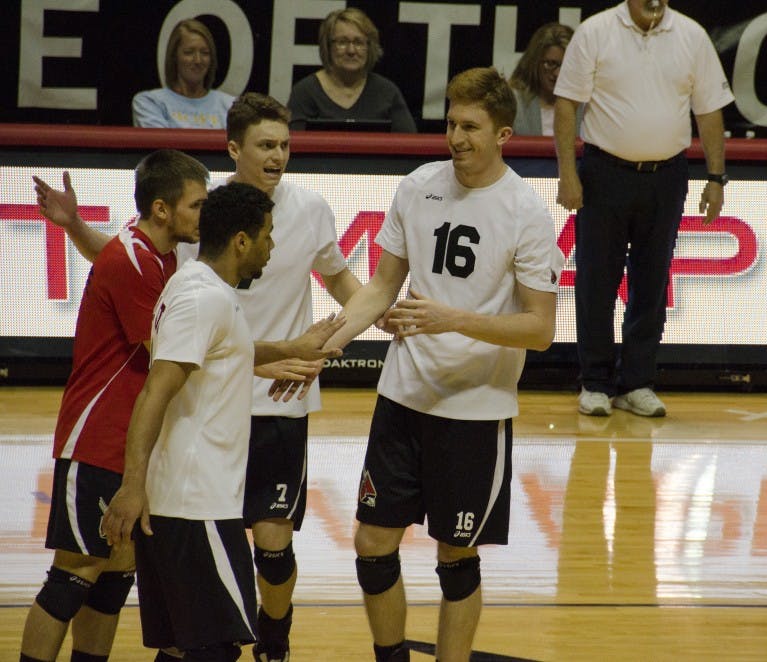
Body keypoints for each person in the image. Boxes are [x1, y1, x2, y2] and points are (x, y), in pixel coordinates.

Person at [36, 93, 363, 662]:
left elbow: (213, 344)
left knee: (127, 586)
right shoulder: (185, 268)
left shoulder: (178, 261)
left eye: (286, 144)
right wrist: (282, 351)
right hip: (139, 445)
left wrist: (315, 345)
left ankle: (275, 641)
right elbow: (168, 367)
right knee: (97, 586)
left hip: (226, 429)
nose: (279, 155)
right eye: (267, 144)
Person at [323, 66, 562, 662]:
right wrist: (331, 339)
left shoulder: (526, 213)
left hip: (475, 411)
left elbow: (540, 329)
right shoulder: (418, 186)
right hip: (403, 396)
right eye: (451, 123)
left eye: (471, 126)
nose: (456, 137)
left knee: (456, 556)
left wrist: (452, 319)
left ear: (503, 133)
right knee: (372, 542)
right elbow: (381, 287)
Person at [100, 182, 344, 662]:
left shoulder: (196, 287)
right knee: (216, 649)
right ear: (240, 240)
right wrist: (132, 486)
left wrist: (292, 348)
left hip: (184, 503)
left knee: (179, 648)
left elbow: (224, 347)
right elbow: (155, 391)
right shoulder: (203, 299)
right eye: (267, 237)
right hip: (195, 505)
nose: (272, 248)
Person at [19, 150, 209, 662]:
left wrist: (75, 225)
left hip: (131, 439)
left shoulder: (154, 250)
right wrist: (261, 359)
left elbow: (109, 255)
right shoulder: (136, 259)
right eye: (197, 204)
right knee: (73, 575)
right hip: (98, 438)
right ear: (164, 209)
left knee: (113, 575)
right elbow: (167, 352)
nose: (204, 214)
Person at [554, 0, 734, 417]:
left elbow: (708, 110)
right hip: (604, 171)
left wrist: (716, 177)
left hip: (667, 176)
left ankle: (637, 381)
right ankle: (595, 382)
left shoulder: (691, 36)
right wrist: (568, 173)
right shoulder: (596, 31)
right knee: (597, 280)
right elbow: (567, 104)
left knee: (652, 281)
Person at [287, 8, 416, 132]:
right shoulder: (305, 92)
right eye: (342, 42)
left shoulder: (387, 92)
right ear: (327, 46)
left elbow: (410, 146)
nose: (351, 51)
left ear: (369, 47)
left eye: (358, 43)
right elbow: (293, 145)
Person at [132, 18, 235, 129]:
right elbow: (162, 145)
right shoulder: (150, 102)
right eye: (189, 52)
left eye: (205, 53)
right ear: (174, 57)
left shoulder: (231, 105)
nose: (198, 60)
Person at [509, 23, 580, 137]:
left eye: (566, 65)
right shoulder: (513, 104)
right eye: (551, 64)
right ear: (534, 63)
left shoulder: (586, 107)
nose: (558, 74)